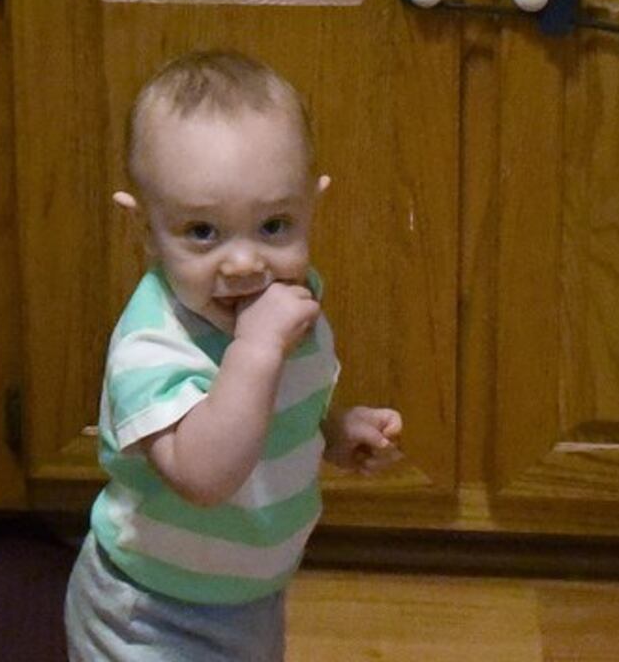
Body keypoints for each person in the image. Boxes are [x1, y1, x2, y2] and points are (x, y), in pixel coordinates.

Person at [70, 52, 402, 662]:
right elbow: (203, 476)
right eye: (202, 232)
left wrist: (331, 428)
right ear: (144, 230)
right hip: (150, 611)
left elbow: (280, 403)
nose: (245, 263)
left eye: (275, 226)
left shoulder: (286, 307)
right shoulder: (154, 346)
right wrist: (255, 348)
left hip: (252, 592)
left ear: (312, 206)